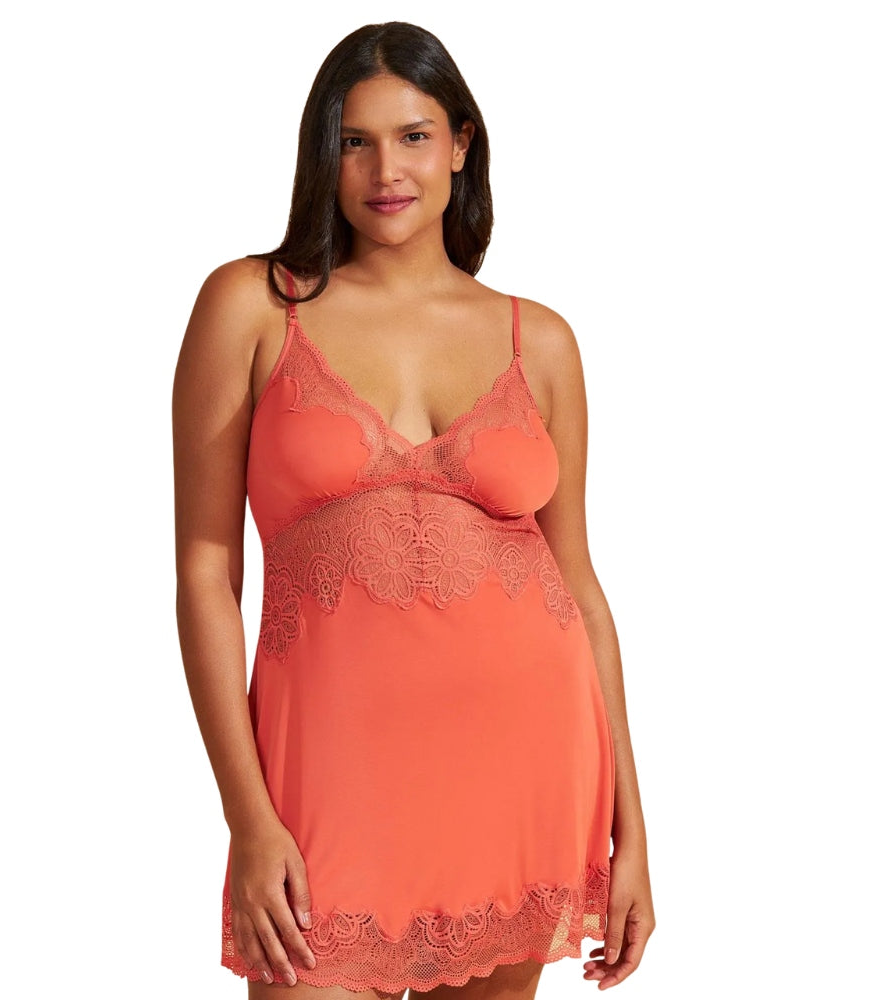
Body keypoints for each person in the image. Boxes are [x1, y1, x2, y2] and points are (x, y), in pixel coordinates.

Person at [172, 21, 653, 999]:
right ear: (323, 155)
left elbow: (581, 590)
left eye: (415, 136)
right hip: (327, 791)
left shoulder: (539, 341)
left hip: (521, 774)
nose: (385, 169)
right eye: (355, 140)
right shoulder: (254, 307)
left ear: (461, 145)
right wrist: (247, 817)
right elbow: (205, 572)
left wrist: (631, 832)